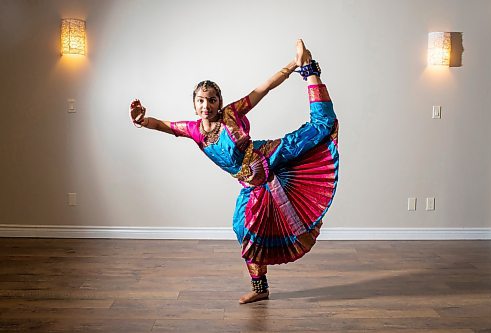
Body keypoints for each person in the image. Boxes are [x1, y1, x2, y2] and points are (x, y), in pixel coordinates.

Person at [130, 39, 339, 304]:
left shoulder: (231, 114)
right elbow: (163, 124)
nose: (207, 105)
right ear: (195, 105)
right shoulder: (193, 131)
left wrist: (292, 66)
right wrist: (141, 121)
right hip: (251, 184)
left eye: (212, 100)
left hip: (267, 156)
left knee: (319, 130)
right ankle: (260, 287)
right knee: (242, 228)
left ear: (219, 102)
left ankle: (310, 69)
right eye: (201, 101)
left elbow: (262, 89)